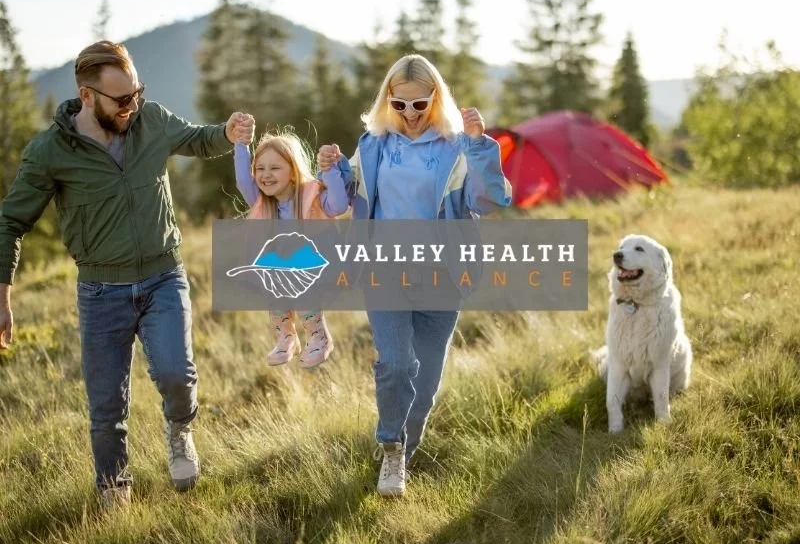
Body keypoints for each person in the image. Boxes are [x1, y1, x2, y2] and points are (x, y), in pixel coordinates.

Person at [0, 40, 255, 508]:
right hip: (101, 292)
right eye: (122, 99)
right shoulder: (50, 151)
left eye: (137, 93)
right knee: (106, 407)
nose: (132, 106)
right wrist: (3, 298)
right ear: (87, 95)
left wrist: (229, 132)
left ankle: (179, 430)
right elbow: (10, 223)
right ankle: (114, 490)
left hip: (163, 276)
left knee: (176, 374)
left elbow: (199, 139)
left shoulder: (150, 119)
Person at [317, 54, 512, 497]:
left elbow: (489, 201)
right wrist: (331, 168)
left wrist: (480, 145)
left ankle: (406, 447)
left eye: (419, 104)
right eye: (399, 103)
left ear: (435, 99)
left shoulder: (458, 147)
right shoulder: (373, 144)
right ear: (387, 99)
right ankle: (391, 447)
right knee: (396, 363)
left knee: (424, 386)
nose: (409, 113)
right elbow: (339, 201)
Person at [232, 130, 349, 367]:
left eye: (275, 168)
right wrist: (241, 145)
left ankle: (318, 337)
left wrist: (330, 171)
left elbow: (339, 206)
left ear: (293, 172)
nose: (266, 174)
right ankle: (286, 337)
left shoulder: (312, 196)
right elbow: (243, 181)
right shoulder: (262, 200)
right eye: (260, 168)